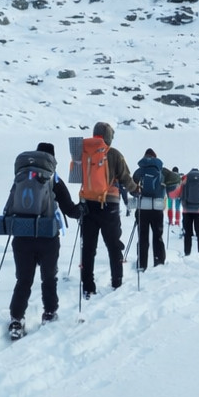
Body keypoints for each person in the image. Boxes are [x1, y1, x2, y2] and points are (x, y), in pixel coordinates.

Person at [7, 143, 81, 337]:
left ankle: (16, 320)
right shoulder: (54, 179)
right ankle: (49, 313)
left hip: (22, 236)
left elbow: (9, 208)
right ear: (52, 160)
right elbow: (70, 209)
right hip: (47, 236)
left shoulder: (22, 177)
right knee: (48, 278)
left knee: (23, 279)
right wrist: (82, 210)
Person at [78, 121, 135, 296]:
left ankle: (88, 286)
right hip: (109, 204)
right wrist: (137, 190)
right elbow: (126, 179)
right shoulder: (114, 154)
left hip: (87, 204)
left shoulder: (83, 153)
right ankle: (117, 282)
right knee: (113, 245)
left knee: (88, 247)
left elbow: (76, 175)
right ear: (109, 136)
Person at [132, 148, 169, 270]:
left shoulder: (139, 171)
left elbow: (132, 189)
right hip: (157, 208)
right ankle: (159, 263)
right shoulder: (161, 171)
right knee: (158, 236)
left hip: (143, 208)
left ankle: (142, 265)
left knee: (143, 237)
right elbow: (172, 186)